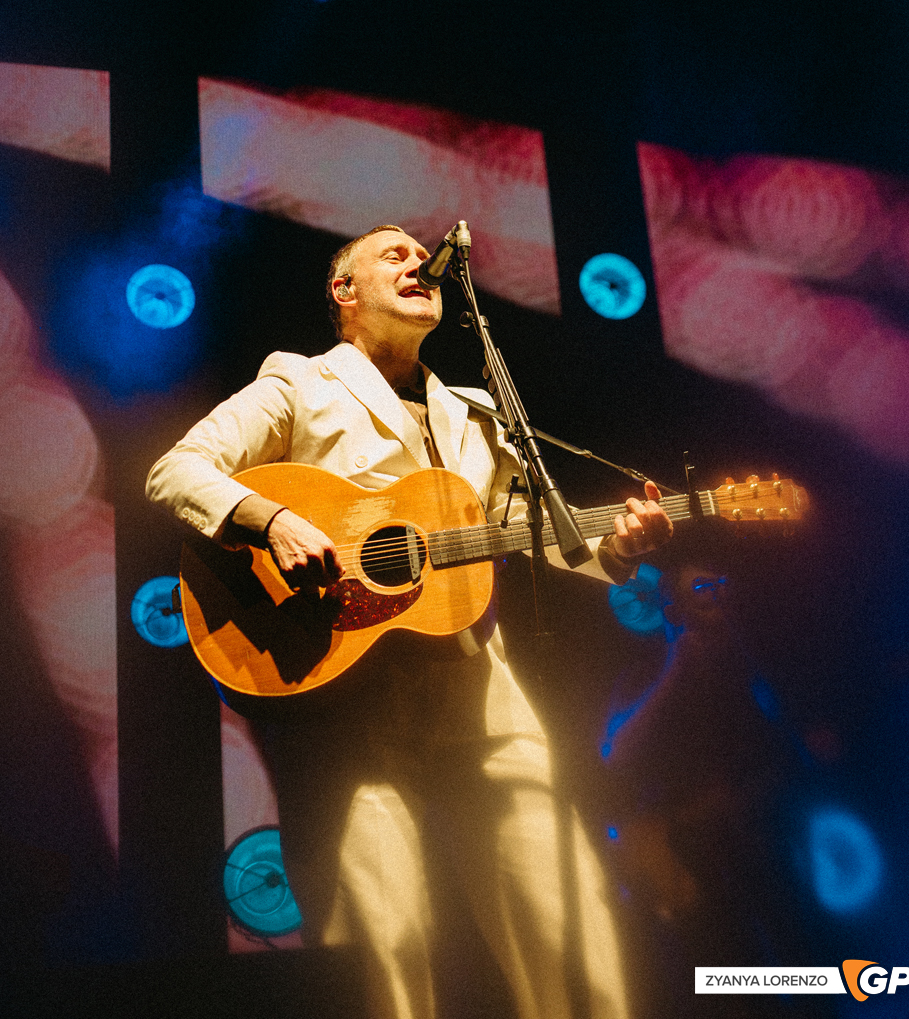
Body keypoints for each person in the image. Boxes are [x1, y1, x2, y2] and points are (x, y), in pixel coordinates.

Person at [147, 224, 673, 1019]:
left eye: (420, 254)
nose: (417, 263)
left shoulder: (477, 409)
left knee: (577, 948)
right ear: (343, 292)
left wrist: (618, 549)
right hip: (345, 704)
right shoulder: (299, 382)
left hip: (484, 703)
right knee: (384, 961)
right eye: (390, 254)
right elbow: (176, 469)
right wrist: (272, 521)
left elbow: (531, 530)